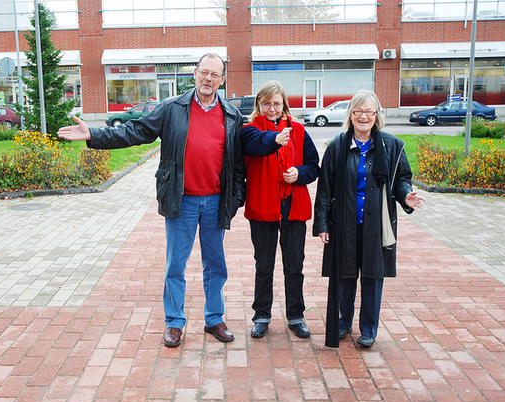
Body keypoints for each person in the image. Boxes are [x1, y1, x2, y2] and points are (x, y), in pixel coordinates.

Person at [57, 53, 246, 348]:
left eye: (215, 74)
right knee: (175, 266)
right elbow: (136, 130)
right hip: (180, 200)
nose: (208, 79)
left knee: (215, 264)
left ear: (222, 79)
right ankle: (174, 322)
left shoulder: (232, 115)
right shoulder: (172, 108)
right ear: (195, 74)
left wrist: (235, 198)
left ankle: (214, 318)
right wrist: (93, 134)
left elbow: (238, 162)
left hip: (215, 201)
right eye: (203, 72)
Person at [313, 89, 425, 348]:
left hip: (376, 224)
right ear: (350, 114)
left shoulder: (391, 146)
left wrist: (406, 195)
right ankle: (343, 323)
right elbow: (325, 189)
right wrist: (321, 224)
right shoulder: (337, 147)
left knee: (373, 276)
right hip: (344, 223)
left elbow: (401, 180)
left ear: (377, 115)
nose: (363, 116)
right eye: (358, 111)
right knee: (344, 275)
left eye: (369, 111)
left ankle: (368, 329)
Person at [241, 81, 319, 339]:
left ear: (284, 104)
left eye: (276, 103)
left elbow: (313, 166)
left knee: (294, 266)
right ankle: (261, 315)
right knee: (264, 265)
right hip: (263, 207)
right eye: (267, 104)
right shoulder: (249, 130)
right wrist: (275, 138)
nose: (272, 108)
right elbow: (257, 145)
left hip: (292, 207)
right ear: (259, 105)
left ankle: (296, 316)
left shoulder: (298, 130)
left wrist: (299, 173)